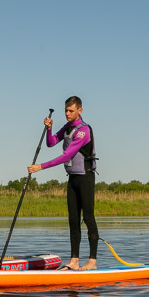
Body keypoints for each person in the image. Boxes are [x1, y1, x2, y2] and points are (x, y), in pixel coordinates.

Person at [28, 96, 99, 271]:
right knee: (73, 220)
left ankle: (92, 261)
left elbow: (67, 156)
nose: (67, 114)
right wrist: (49, 129)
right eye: (66, 110)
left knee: (88, 218)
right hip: (72, 178)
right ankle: (74, 260)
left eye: (71, 111)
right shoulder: (68, 128)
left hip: (85, 178)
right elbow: (51, 143)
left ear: (79, 111)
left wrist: (41, 167)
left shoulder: (83, 131)